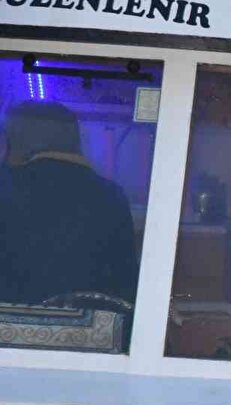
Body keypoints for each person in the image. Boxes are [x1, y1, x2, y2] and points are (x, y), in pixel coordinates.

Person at [0, 101, 137, 308]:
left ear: (14, 144)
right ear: (76, 141)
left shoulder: (6, 185)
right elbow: (125, 284)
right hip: (90, 332)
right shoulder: (111, 195)